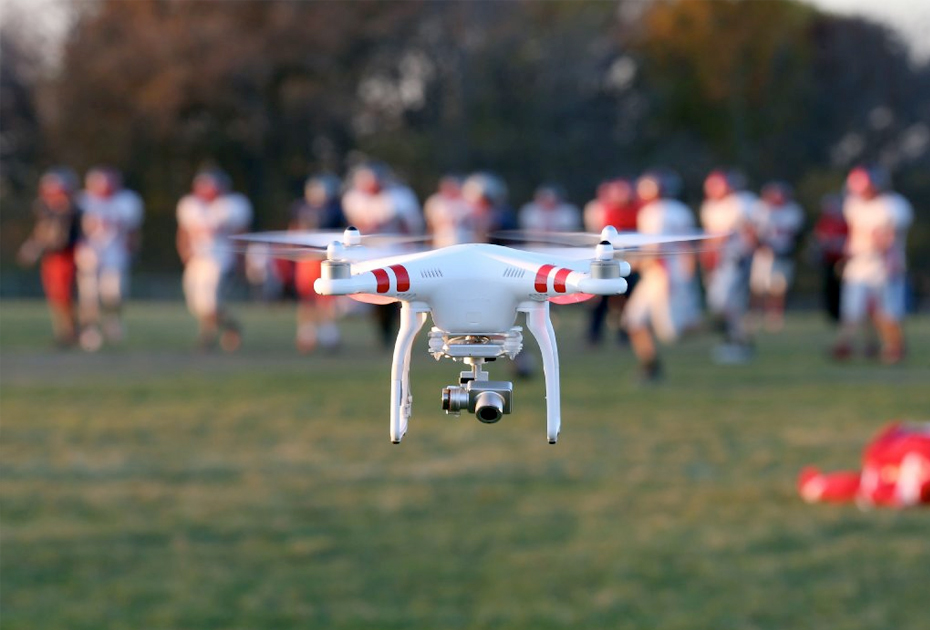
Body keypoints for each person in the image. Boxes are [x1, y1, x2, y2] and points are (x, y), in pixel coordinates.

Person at [621, 170, 699, 381]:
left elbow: (654, 250)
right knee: (634, 319)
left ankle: (718, 326)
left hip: (661, 273)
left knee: (671, 333)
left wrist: (628, 264)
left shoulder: (652, 212)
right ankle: (650, 366)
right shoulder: (681, 210)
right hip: (669, 272)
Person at [832, 165, 912, 364]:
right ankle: (855, 344)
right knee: (853, 310)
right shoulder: (853, 204)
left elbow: (886, 240)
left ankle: (894, 347)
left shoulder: (893, 205)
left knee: (887, 311)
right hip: (859, 264)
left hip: (885, 265)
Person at [342, 163, 424, 347]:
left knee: (401, 295)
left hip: (396, 252)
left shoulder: (399, 197)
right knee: (376, 295)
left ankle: (400, 333)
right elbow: (356, 227)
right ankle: (385, 334)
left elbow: (411, 225)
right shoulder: (355, 199)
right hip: (371, 255)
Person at [176, 168, 252, 351]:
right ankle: (231, 326)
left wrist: (241, 260)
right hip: (197, 260)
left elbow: (241, 234)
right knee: (195, 305)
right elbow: (184, 232)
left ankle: (207, 337)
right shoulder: (190, 205)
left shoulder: (232, 205)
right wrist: (184, 253)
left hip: (220, 259)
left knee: (208, 301)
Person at [74, 166, 144, 351]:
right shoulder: (83, 201)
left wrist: (133, 251)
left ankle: (112, 320)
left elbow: (133, 231)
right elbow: (74, 229)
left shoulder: (127, 201)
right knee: (89, 295)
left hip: (116, 253)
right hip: (88, 253)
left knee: (114, 293)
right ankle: (89, 330)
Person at [17, 167, 83, 348]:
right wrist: (32, 247)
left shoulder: (73, 210)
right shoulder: (46, 208)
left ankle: (72, 331)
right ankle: (64, 331)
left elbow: (61, 236)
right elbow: (43, 232)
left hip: (69, 255)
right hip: (52, 257)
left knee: (67, 295)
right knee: (56, 296)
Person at [699, 169, 756, 363]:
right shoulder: (709, 207)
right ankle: (736, 340)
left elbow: (746, 231)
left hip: (735, 258)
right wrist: (707, 257)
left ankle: (738, 342)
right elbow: (709, 236)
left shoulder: (740, 202)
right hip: (718, 260)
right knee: (720, 303)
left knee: (729, 302)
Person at [290, 174, 346, 353]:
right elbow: (295, 230)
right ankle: (308, 334)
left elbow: (341, 233)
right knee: (307, 297)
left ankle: (328, 334)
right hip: (307, 257)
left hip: (325, 258)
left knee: (326, 298)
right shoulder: (301, 208)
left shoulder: (335, 210)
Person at [583, 178, 640, 346]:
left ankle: (626, 333)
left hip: (629, 261)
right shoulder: (607, 211)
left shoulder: (636, 210)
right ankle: (594, 334)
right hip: (610, 261)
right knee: (601, 298)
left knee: (628, 299)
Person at [748, 181, 804, 332]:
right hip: (763, 254)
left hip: (783, 255)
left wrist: (789, 251)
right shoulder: (760, 209)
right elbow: (752, 231)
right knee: (758, 287)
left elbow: (797, 236)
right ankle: (755, 314)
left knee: (778, 288)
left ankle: (774, 317)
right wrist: (760, 246)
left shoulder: (793, 211)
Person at [810, 193, 848, 323]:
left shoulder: (845, 220)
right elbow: (818, 238)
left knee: (842, 288)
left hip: (841, 260)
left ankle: (843, 313)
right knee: (829, 288)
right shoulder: (824, 221)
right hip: (828, 260)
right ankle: (832, 315)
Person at [424, 175, 481, 247]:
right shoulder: (435, 202)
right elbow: (430, 226)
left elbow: (475, 224)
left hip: (464, 242)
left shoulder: (466, 202)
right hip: (442, 242)